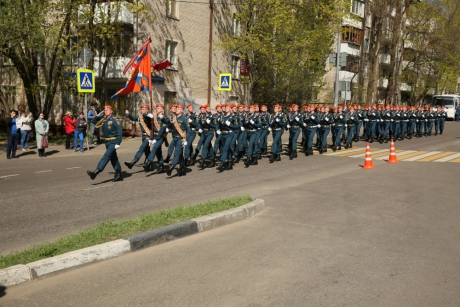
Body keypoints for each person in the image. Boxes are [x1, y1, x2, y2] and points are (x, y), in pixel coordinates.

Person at [87, 105, 123, 182]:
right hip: (107, 142)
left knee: (106, 156)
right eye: (105, 110)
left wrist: (118, 142)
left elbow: (120, 132)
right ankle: (118, 173)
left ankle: (96, 172)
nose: (106, 111)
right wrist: (97, 115)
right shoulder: (103, 119)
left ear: (111, 111)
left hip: (113, 142)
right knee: (113, 158)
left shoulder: (114, 120)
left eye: (107, 109)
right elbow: (93, 122)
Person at [124, 104, 154, 169]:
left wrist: (148, 115)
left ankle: (133, 162)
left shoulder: (148, 117)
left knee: (141, 149)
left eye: (143, 109)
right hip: (143, 136)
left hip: (148, 136)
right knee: (146, 151)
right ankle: (150, 164)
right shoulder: (140, 117)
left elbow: (147, 116)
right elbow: (133, 118)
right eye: (141, 109)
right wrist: (128, 115)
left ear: (147, 110)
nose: (142, 110)